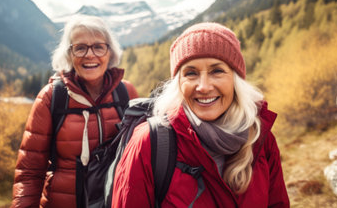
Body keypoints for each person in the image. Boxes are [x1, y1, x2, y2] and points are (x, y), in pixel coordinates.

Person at [112, 22, 289, 207]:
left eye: (217, 71)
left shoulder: (259, 138)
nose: (203, 86)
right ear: (178, 83)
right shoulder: (149, 142)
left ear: (236, 80)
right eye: (191, 73)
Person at [11, 15, 138, 207]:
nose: (89, 55)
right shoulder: (52, 97)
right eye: (80, 48)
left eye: (98, 46)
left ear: (110, 52)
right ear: (69, 55)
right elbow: (30, 171)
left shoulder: (126, 93)